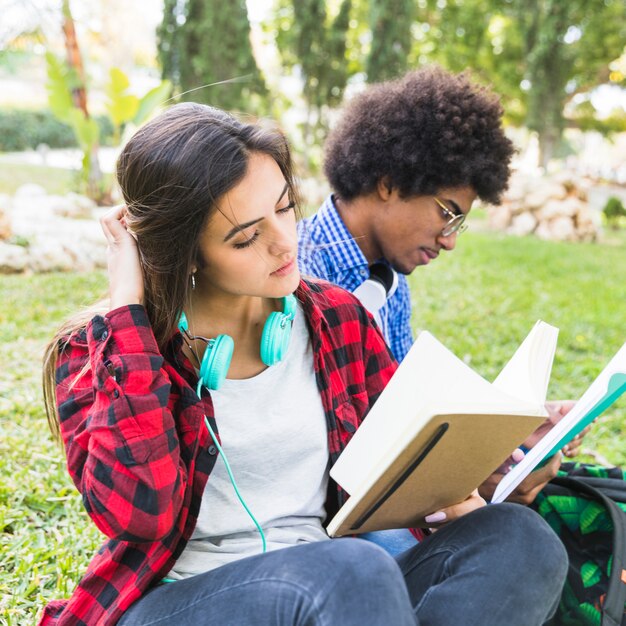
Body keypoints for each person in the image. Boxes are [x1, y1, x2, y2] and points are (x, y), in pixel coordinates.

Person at [40, 102, 567, 626]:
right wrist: (129, 312)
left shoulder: (337, 319)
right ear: (187, 251)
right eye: (246, 236)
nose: (283, 242)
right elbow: (140, 513)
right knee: (350, 571)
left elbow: (401, 462)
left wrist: (478, 478)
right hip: (186, 601)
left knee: (519, 538)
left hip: (340, 591)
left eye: (286, 208)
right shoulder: (98, 353)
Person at [297, 66, 589, 511]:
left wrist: (504, 436)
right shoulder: (297, 273)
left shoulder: (389, 280)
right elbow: (326, 456)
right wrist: (462, 491)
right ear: (389, 182)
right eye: (447, 213)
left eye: (460, 223)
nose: (450, 241)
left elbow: (400, 416)